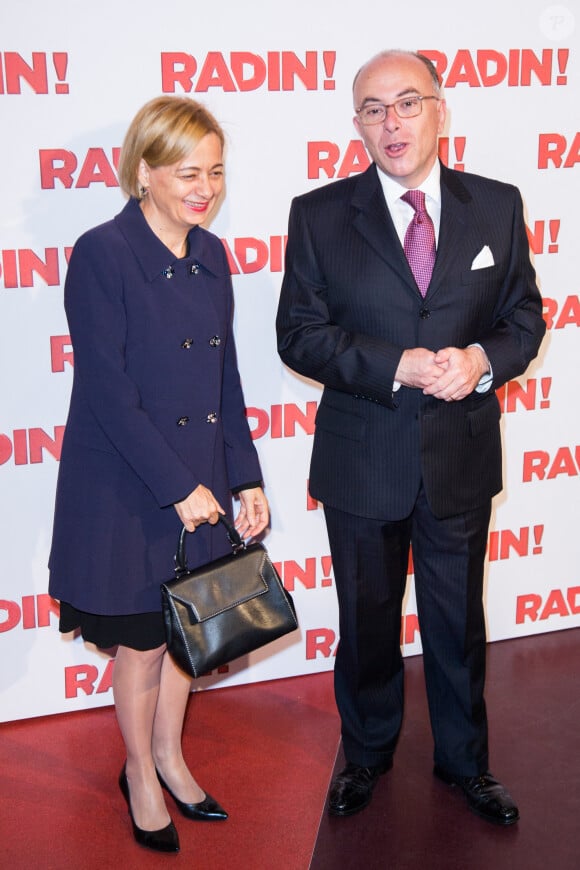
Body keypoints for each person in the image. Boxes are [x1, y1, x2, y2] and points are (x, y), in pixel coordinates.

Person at [276, 50, 545, 825]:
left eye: (406, 103)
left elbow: (524, 318)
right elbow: (299, 335)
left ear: (439, 109)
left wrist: (481, 360)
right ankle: (364, 757)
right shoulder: (320, 214)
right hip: (363, 458)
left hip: (459, 455)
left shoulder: (497, 205)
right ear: (356, 124)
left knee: (458, 625)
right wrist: (395, 364)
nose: (391, 123)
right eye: (372, 109)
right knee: (365, 625)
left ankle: (466, 763)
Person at [49, 95, 269, 853]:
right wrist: (177, 489)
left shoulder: (212, 255)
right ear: (144, 172)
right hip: (131, 487)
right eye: (186, 172)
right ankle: (140, 771)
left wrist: (246, 479)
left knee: (190, 637)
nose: (203, 187)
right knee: (144, 644)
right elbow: (107, 393)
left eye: (214, 171)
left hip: (204, 483)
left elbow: (226, 380)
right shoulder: (102, 253)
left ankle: (173, 757)